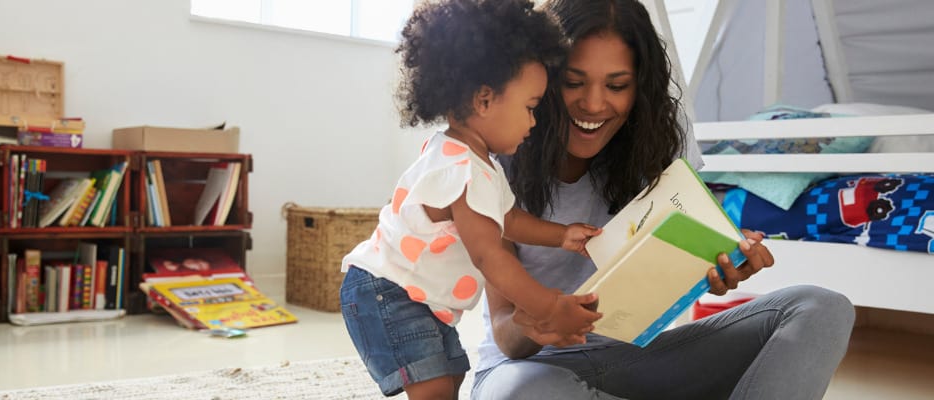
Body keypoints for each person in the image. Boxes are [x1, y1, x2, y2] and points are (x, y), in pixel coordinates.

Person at [470, 0, 856, 399]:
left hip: (640, 361)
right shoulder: (497, 154)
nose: (594, 104)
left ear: (640, 88)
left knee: (821, 309)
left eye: (617, 85)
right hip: (531, 370)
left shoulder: (658, 140)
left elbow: (673, 272)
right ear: (543, 80)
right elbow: (506, 335)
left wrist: (717, 266)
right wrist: (537, 323)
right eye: (573, 81)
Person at [339, 0, 607, 398]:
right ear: (484, 101)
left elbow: (508, 221)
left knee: (451, 378)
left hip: (420, 296)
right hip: (389, 291)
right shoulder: (462, 169)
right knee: (432, 388)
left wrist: (561, 235)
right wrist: (548, 307)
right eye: (530, 108)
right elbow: (490, 256)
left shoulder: (478, 163)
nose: (535, 122)